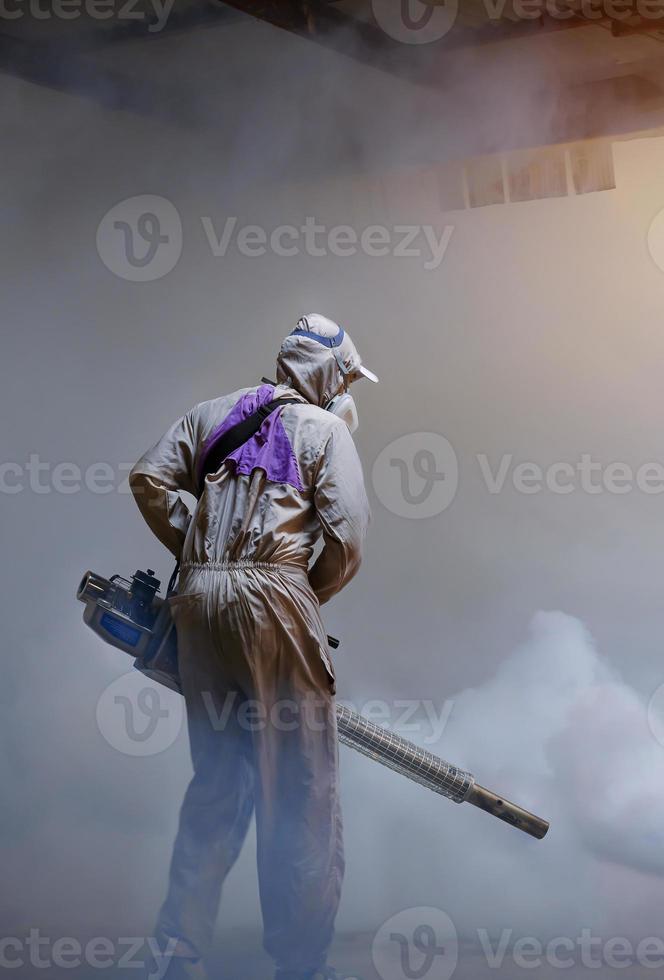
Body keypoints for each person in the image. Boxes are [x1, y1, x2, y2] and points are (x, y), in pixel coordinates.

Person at [129, 315, 377, 980]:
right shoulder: (326, 431)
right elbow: (348, 540)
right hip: (275, 600)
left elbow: (148, 479)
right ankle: (300, 964)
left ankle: (176, 953)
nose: (348, 389)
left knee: (218, 780)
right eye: (349, 376)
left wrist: (201, 551)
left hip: (197, 599)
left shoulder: (212, 413)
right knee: (301, 786)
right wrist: (293, 592)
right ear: (331, 374)